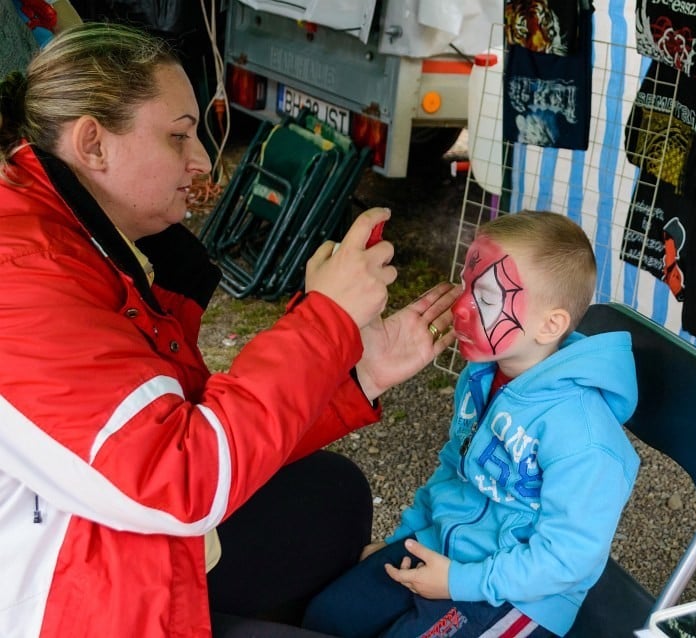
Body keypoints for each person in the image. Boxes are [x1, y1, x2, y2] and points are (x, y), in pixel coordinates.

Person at [0, 22, 460, 638]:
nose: (201, 161)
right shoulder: (25, 279)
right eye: (178, 136)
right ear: (93, 144)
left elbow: (185, 420)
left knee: (332, 496)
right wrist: (325, 319)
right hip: (66, 602)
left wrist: (358, 371)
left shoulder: (82, 247)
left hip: (108, 538)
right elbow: (182, 473)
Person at [302, 210, 641, 637]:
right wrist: (403, 539)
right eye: (466, 286)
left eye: (485, 297)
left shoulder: (585, 438)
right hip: (440, 549)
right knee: (327, 617)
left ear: (550, 324)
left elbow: (567, 560)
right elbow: (453, 467)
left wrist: (458, 582)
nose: (460, 308)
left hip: (516, 596)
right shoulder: (481, 377)